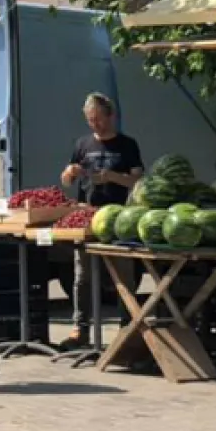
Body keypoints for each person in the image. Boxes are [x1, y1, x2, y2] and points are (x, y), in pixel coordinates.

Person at [58, 93, 144, 348]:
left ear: (111, 116)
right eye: (90, 120)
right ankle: (80, 329)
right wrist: (70, 173)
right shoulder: (82, 144)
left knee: (123, 276)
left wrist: (112, 177)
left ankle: (127, 328)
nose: (95, 124)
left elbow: (138, 180)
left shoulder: (127, 145)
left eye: (98, 119)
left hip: (119, 217)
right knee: (82, 276)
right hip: (87, 215)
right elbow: (65, 180)